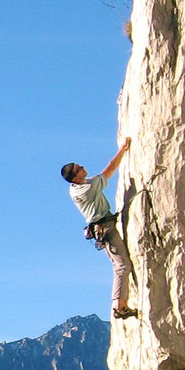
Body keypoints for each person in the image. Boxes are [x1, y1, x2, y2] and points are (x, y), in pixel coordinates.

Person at [61, 137, 136, 319]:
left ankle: (120, 304)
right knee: (122, 266)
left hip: (101, 227)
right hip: (105, 227)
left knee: (119, 265)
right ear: (75, 177)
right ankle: (120, 306)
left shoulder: (74, 188)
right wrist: (123, 149)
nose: (82, 167)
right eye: (79, 168)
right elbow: (111, 168)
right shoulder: (89, 187)